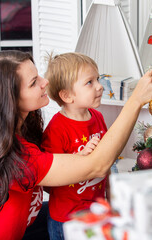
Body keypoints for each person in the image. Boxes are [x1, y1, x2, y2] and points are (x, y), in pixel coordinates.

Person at [0, 50, 152, 240]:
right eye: (33, 82)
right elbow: (97, 166)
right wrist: (135, 100)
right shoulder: (14, 155)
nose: (45, 82)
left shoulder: (21, 132)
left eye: (38, 75)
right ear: (10, 99)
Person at [41, 52, 110, 239]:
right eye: (90, 82)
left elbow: (107, 161)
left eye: (98, 79)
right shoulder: (56, 129)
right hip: (67, 219)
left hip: (97, 211)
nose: (99, 87)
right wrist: (80, 158)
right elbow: (49, 181)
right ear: (67, 96)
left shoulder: (98, 118)